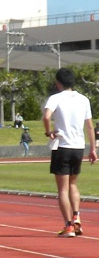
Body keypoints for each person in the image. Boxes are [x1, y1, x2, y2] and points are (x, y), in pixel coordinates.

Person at [43, 67, 96, 237]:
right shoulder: (83, 99)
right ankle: (77, 215)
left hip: (63, 146)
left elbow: (46, 116)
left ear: (58, 83)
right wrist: (93, 149)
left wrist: (48, 131)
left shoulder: (55, 98)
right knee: (74, 184)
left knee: (62, 189)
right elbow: (89, 125)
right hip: (78, 147)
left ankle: (68, 226)